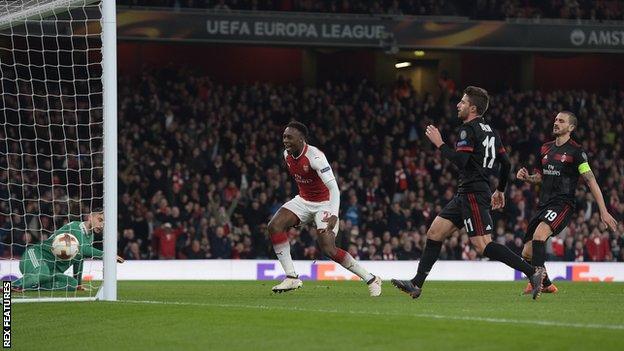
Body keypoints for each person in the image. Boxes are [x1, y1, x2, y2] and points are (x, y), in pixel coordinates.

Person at [391, 86, 545, 300]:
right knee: (434, 233)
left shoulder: (468, 129)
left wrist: (440, 144)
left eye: (462, 102)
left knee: (483, 245)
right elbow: (507, 163)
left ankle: (532, 272)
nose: (458, 105)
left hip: (473, 192)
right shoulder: (491, 131)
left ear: (472, 108)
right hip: (468, 193)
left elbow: (462, 162)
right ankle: (416, 284)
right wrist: (500, 189)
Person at [268, 121, 382, 296]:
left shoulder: (315, 157)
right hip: (304, 201)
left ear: (301, 139)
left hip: (325, 203)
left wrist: (334, 214)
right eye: (284, 137)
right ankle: (291, 277)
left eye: (289, 137)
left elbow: (334, 188)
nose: (285, 140)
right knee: (274, 226)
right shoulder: (287, 155)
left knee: (328, 248)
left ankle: (372, 279)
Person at [516, 111, 618, 294]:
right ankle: (547, 285)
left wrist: (603, 210)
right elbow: (540, 177)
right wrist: (527, 178)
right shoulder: (545, 148)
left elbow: (590, 180)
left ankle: (535, 281)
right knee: (527, 252)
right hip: (544, 204)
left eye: (561, 121)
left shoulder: (576, 152)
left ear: (571, 128)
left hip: (562, 204)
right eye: (555, 119)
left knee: (539, 235)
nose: (556, 123)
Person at [12, 209, 124, 292]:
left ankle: (30, 286)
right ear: (90, 217)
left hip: (52, 270)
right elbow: (84, 250)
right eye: (100, 220)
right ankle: (12, 286)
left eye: (103, 223)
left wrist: (78, 283)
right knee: (43, 273)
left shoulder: (90, 236)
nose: (101, 225)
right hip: (34, 255)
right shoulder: (75, 227)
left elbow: (79, 258)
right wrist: (108, 255)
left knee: (72, 284)